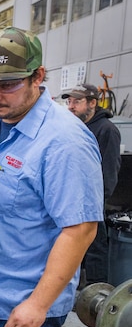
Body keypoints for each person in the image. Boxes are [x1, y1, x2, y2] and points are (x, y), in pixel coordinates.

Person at [0, 27, 103, 327]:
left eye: (7, 85)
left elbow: (80, 229)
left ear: (38, 76)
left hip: (21, 315)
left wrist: (38, 304)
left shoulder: (64, 141)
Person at [62, 83, 121, 285]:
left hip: (91, 203)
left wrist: (96, 203)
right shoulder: (75, 128)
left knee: (95, 251)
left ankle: (96, 295)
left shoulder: (106, 130)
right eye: (69, 101)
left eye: (77, 101)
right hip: (71, 200)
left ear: (92, 103)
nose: (70, 106)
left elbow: (109, 172)